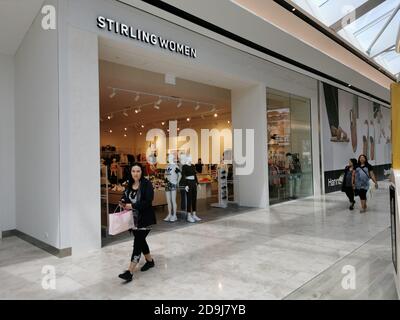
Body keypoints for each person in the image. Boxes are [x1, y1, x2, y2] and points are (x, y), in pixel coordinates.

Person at [118, 163, 157, 282]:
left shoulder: (147, 184)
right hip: (133, 220)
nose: (135, 173)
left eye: (138, 171)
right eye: (133, 171)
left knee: (137, 243)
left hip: (145, 220)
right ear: (131, 172)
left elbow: (147, 202)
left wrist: (132, 205)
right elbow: (125, 197)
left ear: (142, 172)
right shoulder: (129, 184)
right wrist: (123, 201)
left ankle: (130, 271)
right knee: (141, 241)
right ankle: (150, 261)